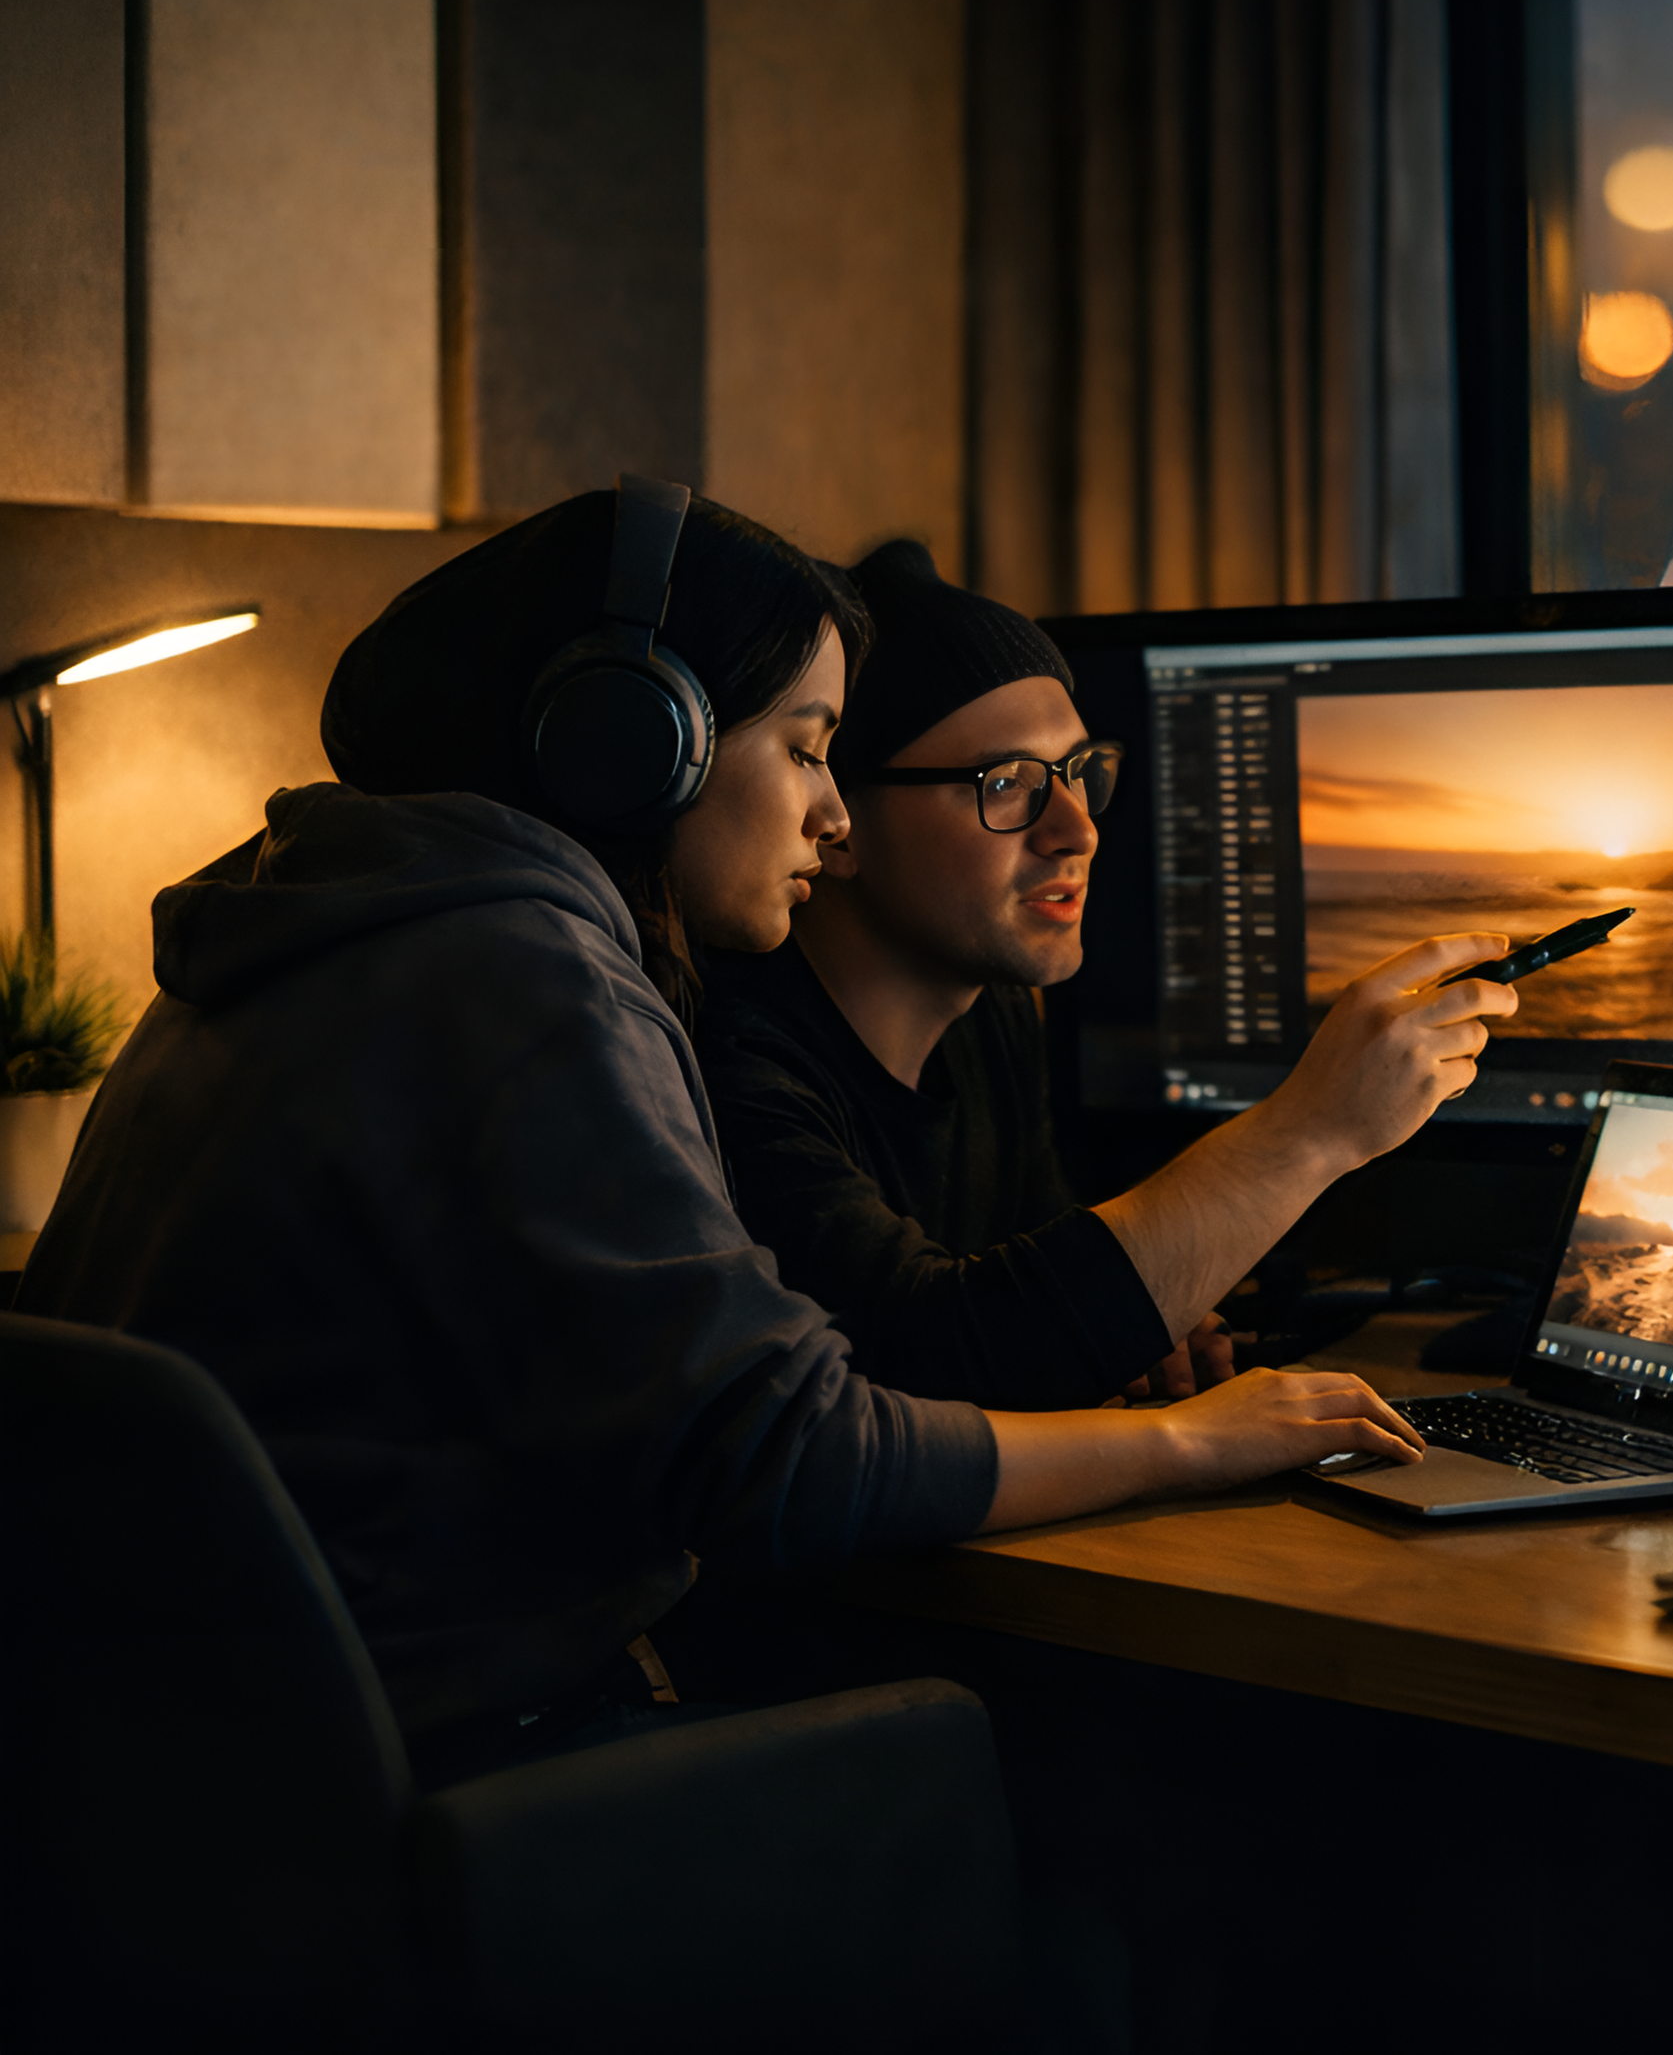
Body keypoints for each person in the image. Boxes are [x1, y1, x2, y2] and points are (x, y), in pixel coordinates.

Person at [16, 486, 1439, 1785]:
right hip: (444, 1780)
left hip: (201, 1787)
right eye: (809, 748)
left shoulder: (321, 927)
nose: (828, 807)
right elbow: (790, 1460)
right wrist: (1191, 1445)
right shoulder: (519, 974)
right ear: (637, 746)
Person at [694, 540, 1518, 1410]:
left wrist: (1150, 1314)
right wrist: (1310, 1131)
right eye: (1008, 782)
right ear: (840, 820)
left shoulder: (991, 1011)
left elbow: (1035, 1269)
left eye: (1079, 772)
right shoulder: (729, 1062)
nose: (1077, 829)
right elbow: (933, 1353)